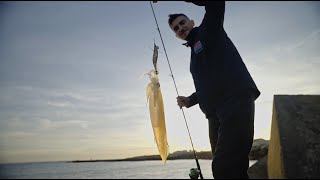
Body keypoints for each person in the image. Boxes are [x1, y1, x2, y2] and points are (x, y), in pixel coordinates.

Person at [156, 1, 261, 179]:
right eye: (176, 29)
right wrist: (191, 100)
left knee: (223, 168)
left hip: (235, 101)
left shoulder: (209, 29)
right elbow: (209, 83)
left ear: (192, 22)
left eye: (182, 23)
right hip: (214, 115)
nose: (180, 28)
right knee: (231, 169)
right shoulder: (193, 56)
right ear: (177, 36)